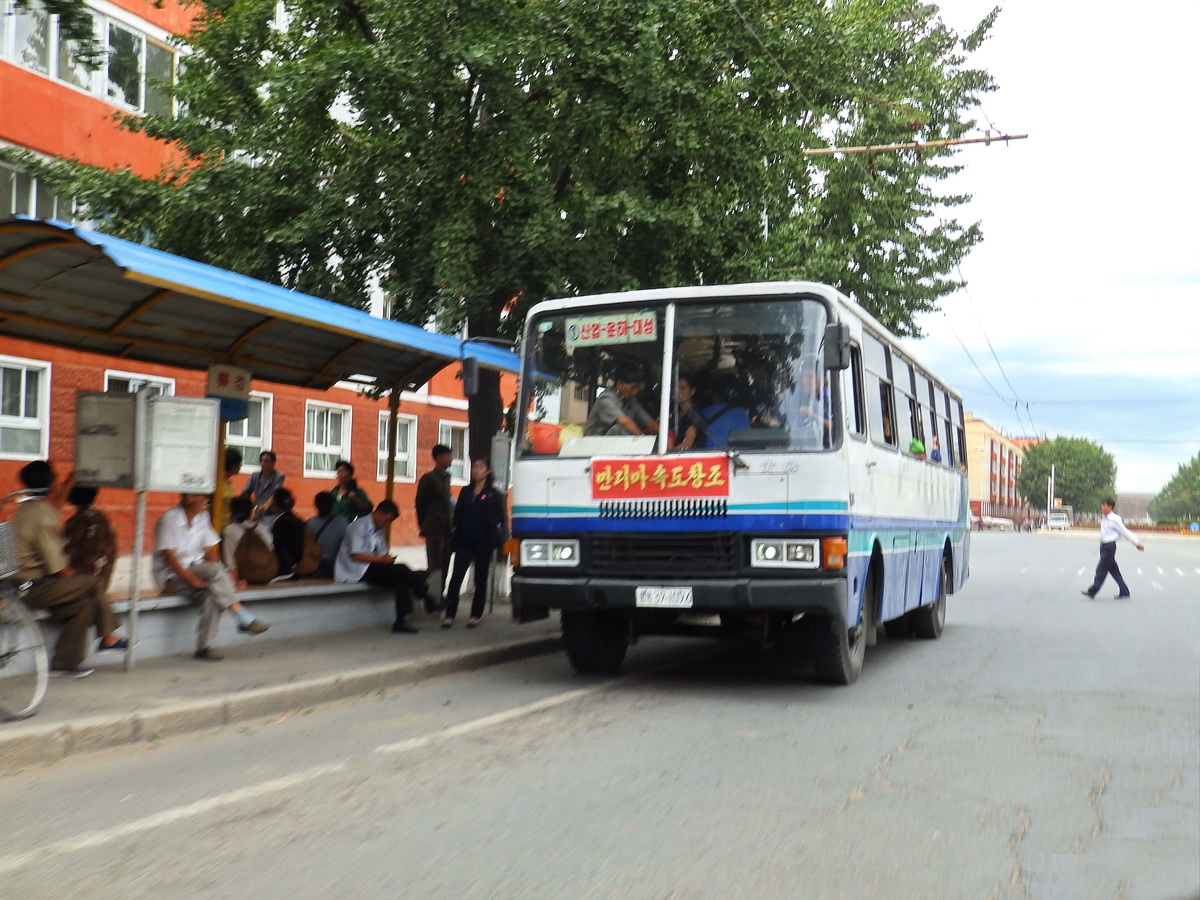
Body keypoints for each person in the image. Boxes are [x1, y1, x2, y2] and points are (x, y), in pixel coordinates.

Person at [13, 461, 125, 676]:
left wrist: (71, 478)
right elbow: (59, 568)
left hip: (26, 585)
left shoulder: (29, 508)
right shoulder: (43, 517)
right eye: (58, 478)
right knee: (91, 583)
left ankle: (65, 662)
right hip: (32, 587)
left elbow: (56, 501)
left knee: (81, 607)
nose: (61, 482)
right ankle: (108, 637)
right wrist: (74, 579)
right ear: (51, 484)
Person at [154, 492, 270, 661]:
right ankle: (241, 615)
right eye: (204, 498)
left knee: (212, 597)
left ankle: (204, 647)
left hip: (200, 573)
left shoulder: (202, 518)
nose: (207, 502)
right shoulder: (169, 520)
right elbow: (170, 558)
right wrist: (194, 579)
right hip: (172, 577)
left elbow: (210, 551)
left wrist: (214, 574)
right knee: (215, 573)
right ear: (190, 498)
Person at [334, 499, 435, 634]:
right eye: (386, 520)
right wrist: (381, 559)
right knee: (402, 569)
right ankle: (427, 599)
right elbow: (356, 556)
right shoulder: (358, 526)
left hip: (370, 566)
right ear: (379, 512)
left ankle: (400, 621)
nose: (386, 524)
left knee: (401, 578)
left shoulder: (379, 530)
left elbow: (382, 553)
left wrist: (387, 559)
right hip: (354, 569)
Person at [442, 458, 508, 629]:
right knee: (456, 577)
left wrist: (496, 535)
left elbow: (500, 517)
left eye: (481, 467)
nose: (477, 470)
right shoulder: (465, 491)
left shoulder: (493, 493)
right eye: (475, 467)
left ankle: (475, 615)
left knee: (480, 578)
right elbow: (458, 514)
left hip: (483, 541)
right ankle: (450, 613)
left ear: (487, 471)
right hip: (464, 539)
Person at [1082, 496, 1145, 600]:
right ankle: (1124, 591)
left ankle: (1092, 591)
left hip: (1109, 547)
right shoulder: (1105, 517)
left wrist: (1136, 543)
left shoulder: (1115, 519)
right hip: (1103, 546)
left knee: (1100, 570)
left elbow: (1124, 531)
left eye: (1104, 505)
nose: (1102, 507)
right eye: (1102, 505)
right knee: (1114, 571)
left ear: (1110, 507)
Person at [415, 444, 454, 602]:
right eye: (447, 456)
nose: (450, 459)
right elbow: (420, 503)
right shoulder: (428, 478)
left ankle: (440, 593)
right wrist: (423, 525)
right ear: (438, 458)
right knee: (435, 564)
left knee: (445, 563)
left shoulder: (447, 477)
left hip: (447, 528)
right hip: (434, 528)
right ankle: (432, 596)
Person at [63, 485, 117, 594]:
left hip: (83, 576)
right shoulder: (101, 518)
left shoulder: (76, 521)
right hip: (102, 572)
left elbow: (68, 551)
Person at [584, 366, 659, 437]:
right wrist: (643, 440)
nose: (635, 392)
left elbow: (647, 420)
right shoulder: (605, 399)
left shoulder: (631, 400)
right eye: (633, 387)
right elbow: (624, 422)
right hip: (594, 444)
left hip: (614, 445)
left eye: (637, 388)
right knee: (619, 429)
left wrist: (664, 436)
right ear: (620, 384)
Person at [306, 491, 348, 579]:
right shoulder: (343, 522)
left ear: (316, 505)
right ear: (332, 505)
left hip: (314, 568)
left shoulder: (309, 524)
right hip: (336, 569)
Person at [268, 487, 307, 577]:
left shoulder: (281, 522)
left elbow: (277, 546)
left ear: (275, 504)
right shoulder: (298, 520)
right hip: (298, 565)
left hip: (286, 569)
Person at [240, 450, 285, 522]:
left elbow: (276, 494)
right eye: (261, 461)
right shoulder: (255, 476)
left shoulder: (279, 476)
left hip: (272, 514)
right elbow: (245, 493)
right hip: (258, 513)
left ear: (273, 463)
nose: (263, 463)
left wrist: (266, 505)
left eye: (266, 461)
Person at [670, 374, 708, 451]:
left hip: (691, 458)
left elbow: (688, 443)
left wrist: (668, 454)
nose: (678, 391)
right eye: (676, 388)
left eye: (683, 388)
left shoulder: (695, 414)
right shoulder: (674, 412)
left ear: (692, 391)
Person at [215, 447, 243, 533]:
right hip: (215, 527)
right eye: (238, 465)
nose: (239, 467)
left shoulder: (229, 484)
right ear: (232, 465)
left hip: (225, 528)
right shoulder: (217, 483)